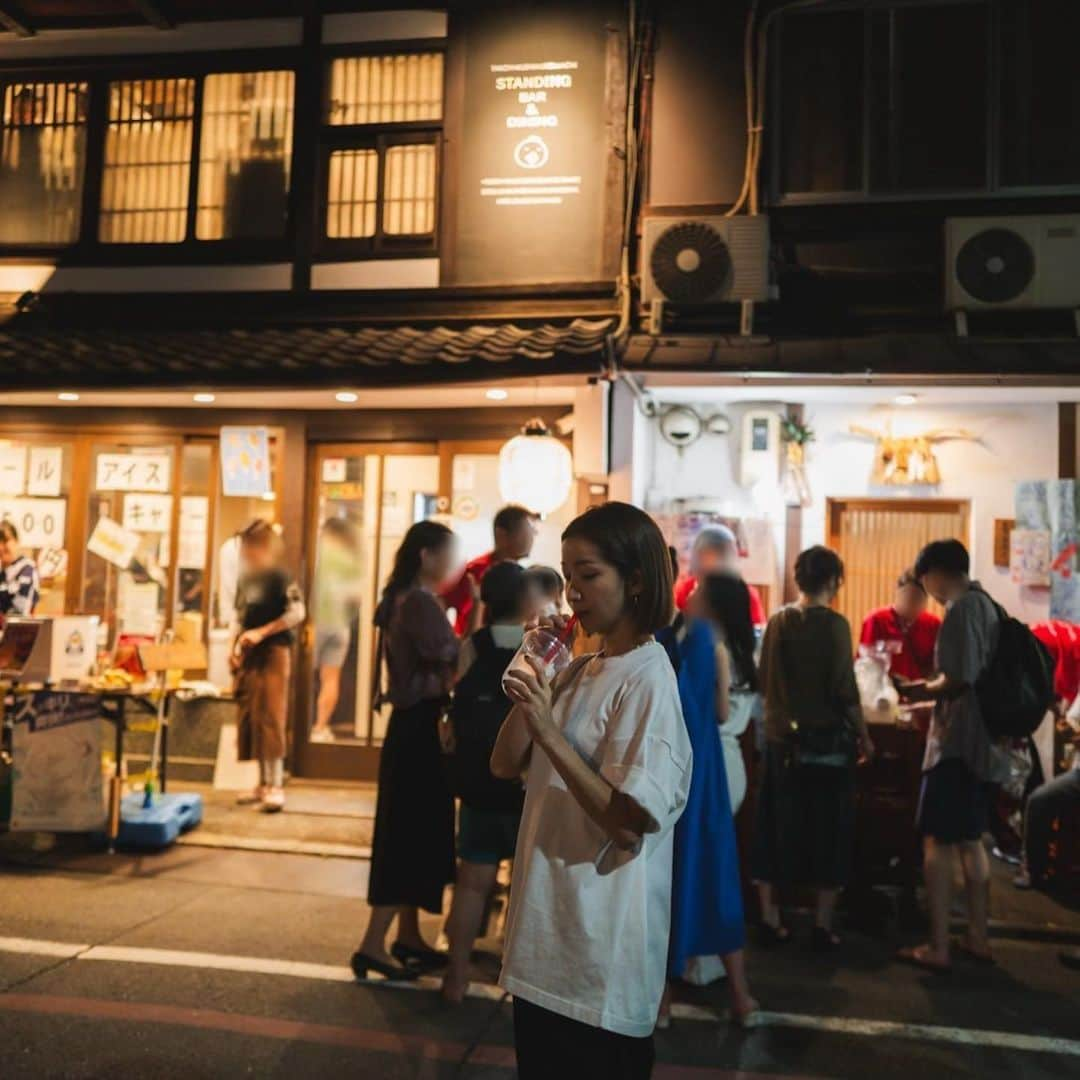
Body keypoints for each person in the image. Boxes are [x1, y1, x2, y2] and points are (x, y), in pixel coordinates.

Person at [493, 502, 692, 1079]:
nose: (572, 592)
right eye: (566, 574)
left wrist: (551, 732)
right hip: (545, 948)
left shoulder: (649, 679)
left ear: (635, 581)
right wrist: (537, 674)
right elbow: (504, 763)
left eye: (588, 574)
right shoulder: (582, 668)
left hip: (597, 963)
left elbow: (628, 822)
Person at [352, 521, 460, 982]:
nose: (451, 564)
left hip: (408, 725)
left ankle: (409, 936)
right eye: (446, 554)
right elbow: (450, 652)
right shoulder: (417, 602)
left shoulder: (399, 598)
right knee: (408, 832)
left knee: (411, 831)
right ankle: (373, 944)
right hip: (420, 726)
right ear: (425, 556)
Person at [753, 545, 874, 948]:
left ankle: (771, 917)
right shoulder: (836, 625)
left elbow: (764, 677)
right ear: (834, 581)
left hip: (779, 741)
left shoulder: (777, 621)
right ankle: (822, 925)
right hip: (826, 744)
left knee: (773, 827)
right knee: (829, 832)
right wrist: (865, 735)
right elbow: (845, 688)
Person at [897, 539, 1004, 974]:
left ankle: (939, 944)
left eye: (927, 583)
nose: (930, 593)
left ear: (938, 573)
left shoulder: (961, 609)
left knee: (937, 841)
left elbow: (957, 681)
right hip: (985, 742)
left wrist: (917, 690)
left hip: (956, 744)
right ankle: (978, 936)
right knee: (970, 839)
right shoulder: (989, 606)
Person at [661, 572, 758, 1029]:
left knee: (668, 876)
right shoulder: (714, 643)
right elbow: (721, 712)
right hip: (709, 770)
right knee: (716, 871)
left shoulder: (656, 641)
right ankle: (740, 997)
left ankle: (660, 1001)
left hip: (667, 769)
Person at [441, 561, 531, 1004]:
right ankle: (515, 981)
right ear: (525, 600)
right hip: (520, 786)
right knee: (521, 886)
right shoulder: (538, 649)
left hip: (476, 783)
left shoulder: (472, 645)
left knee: (471, 883)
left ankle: (455, 977)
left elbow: (453, 698)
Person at [232, 520, 305, 813]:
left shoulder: (280, 576)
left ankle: (275, 784)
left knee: (272, 714)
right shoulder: (246, 579)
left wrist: (262, 632)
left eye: (251, 546)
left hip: (275, 650)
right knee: (253, 715)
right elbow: (238, 616)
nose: (247, 552)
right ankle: (262, 783)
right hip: (249, 652)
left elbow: (297, 612)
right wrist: (233, 648)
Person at [697, 573, 760, 815]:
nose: (690, 596)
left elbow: (719, 714)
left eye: (698, 591)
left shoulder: (714, 649)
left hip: (712, 763)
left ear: (714, 605)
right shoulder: (743, 648)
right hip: (731, 762)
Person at [443, 504, 540, 636]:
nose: (531, 538)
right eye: (526, 531)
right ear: (502, 535)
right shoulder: (475, 571)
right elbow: (442, 604)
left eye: (533, 532)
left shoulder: (523, 575)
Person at [310, 516, 363, 743]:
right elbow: (357, 598)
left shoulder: (314, 554)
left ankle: (299, 727)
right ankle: (320, 727)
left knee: (302, 678)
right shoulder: (350, 560)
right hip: (339, 625)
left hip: (313, 624)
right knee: (330, 678)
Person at [674, 524, 766, 627]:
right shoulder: (684, 591)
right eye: (708, 554)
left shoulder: (746, 595)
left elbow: (757, 632)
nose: (719, 561)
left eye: (725, 554)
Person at [859, 569, 941, 682]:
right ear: (897, 594)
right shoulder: (876, 620)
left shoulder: (933, 624)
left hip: (920, 690)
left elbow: (936, 665)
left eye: (917, 599)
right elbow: (866, 663)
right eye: (906, 597)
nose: (910, 604)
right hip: (882, 689)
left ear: (925, 600)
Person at [0, 521, 40, 617]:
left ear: (16, 541)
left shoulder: (27, 569)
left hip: (18, 630)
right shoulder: (3, 572)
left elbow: (19, 613)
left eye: (5, 541)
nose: (1, 547)